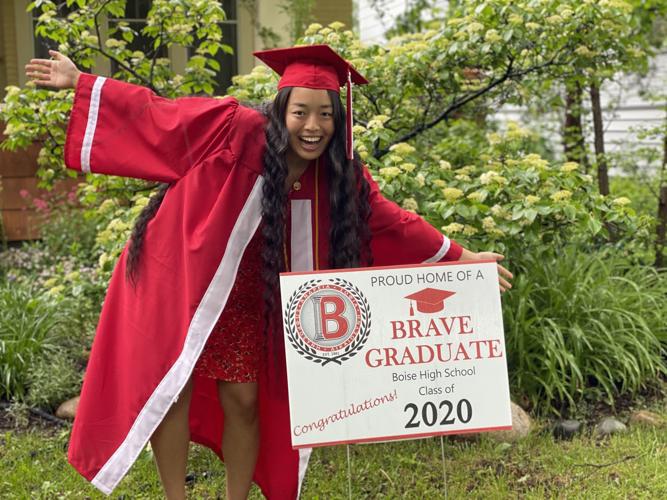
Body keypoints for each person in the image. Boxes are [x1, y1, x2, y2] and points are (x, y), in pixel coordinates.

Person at [25, 44, 512, 499]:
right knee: (171, 389)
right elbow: (162, 116)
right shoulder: (237, 129)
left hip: (249, 294)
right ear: (281, 111)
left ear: (338, 119)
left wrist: (460, 257)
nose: (313, 126)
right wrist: (82, 82)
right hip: (183, 275)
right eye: (301, 112)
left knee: (243, 399)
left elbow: (388, 220)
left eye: (325, 114)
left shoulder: (339, 172)